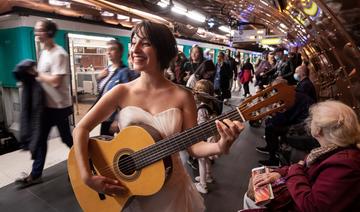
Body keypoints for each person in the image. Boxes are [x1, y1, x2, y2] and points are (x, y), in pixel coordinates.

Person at [73, 21, 244, 212]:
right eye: (133, 42)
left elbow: (194, 147)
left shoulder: (183, 96)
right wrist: (86, 176)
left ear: (162, 50)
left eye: (145, 43)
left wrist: (220, 146)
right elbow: (81, 128)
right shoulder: (120, 92)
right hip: (129, 189)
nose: (135, 49)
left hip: (170, 190)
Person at [243, 100, 360, 211]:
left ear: (317, 130)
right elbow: (303, 168)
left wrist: (293, 169)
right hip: (298, 196)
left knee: (251, 198)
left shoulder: (345, 165)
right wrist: (279, 173)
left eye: (311, 120)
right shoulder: (332, 150)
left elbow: (312, 207)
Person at [15, 19, 73, 188]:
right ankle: (36, 174)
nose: (36, 33)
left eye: (39, 30)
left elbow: (55, 81)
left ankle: (85, 160)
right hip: (47, 106)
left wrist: (35, 73)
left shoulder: (59, 54)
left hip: (59, 106)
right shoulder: (44, 53)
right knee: (40, 139)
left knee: (66, 138)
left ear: (48, 33)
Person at [96, 40, 139, 136]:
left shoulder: (125, 72)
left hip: (113, 117)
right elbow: (101, 91)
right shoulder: (107, 70)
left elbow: (128, 99)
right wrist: (98, 78)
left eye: (112, 49)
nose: (108, 52)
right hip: (104, 115)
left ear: (120, 52)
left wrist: (117, 119)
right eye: (107, 50)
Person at [193, 79, 219, 194]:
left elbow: (202, 126)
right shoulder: (211, 103)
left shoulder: (202, 109)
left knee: (201, 160)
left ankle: (202, 185)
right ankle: (208, 176)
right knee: (207, 158)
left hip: (204, 138)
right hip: (212, 136)